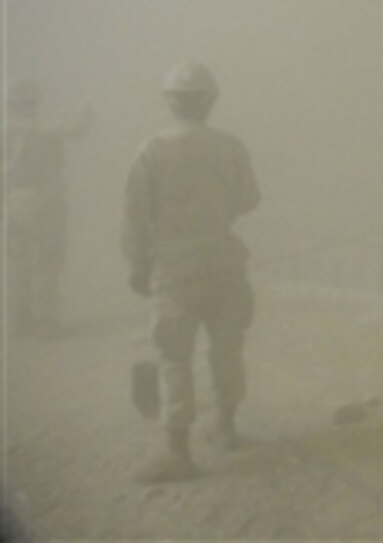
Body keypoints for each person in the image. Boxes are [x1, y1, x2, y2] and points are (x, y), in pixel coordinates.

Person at [121, 62, 260, 484]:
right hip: (224, 262)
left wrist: (137, 266)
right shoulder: (230, 146)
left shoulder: (151, 149)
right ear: (211, 101)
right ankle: (226, 426)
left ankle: (176, 452)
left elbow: (133, 217)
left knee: (174, 357)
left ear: (170, 102)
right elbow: (250, 199)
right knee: (227, 347)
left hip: (175, 269)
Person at [2, 78, 92, 339]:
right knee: (46, 261)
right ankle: (46, 323)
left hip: (12, 201)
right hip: (44, 201)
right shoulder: (42, 129)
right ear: (34, 102)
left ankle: (20, 322)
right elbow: (76, 129)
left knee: (16, 262)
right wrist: (85, 110)